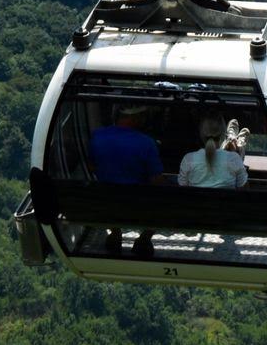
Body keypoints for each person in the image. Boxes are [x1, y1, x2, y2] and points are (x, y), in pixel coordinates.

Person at [88, 104, 165, 257]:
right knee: (167, 198)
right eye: (143, 116)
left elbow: (91, 167)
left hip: (104, 204)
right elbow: (157, 180)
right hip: (138, 206)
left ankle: (116, 232)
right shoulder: (147, 143)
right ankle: (144, 238)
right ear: (135, 118)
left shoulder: (97, 136)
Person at [176, 112, 249, 190]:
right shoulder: (234, 158)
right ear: (223, 134)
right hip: (226, 201)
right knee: (237, 159)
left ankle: (233, 141)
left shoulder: (188, 159)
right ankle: (237, 145)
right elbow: (244, 189)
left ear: (201, 133)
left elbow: (182, 188)